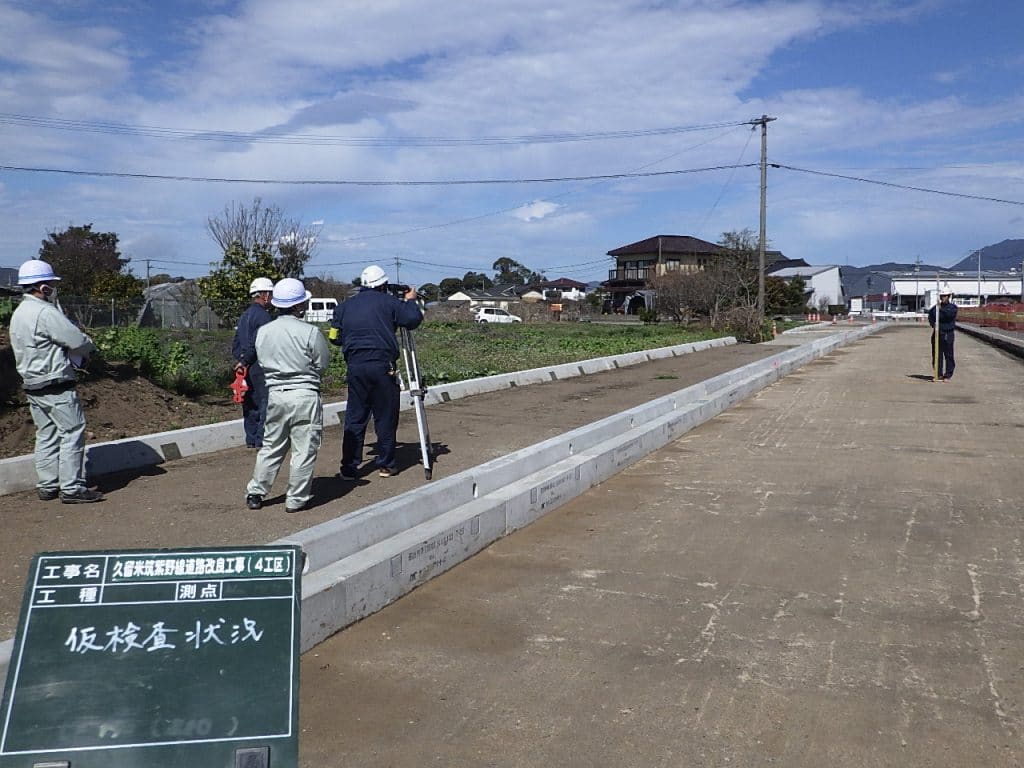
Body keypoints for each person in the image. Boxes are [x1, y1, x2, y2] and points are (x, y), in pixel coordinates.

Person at [9, 259, 103, 503]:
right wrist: (90, 347)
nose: (52, 287)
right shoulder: (45, 312)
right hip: (55, 382)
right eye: (50, 283)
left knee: (46, 433)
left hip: (32, 383)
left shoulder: (19, 313)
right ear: (43, 288)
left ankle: (48, 485)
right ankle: (72, 488)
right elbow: (76, 340)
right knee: (72, 431)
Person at [245, 278, 331, 513]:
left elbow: (261, 360)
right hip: (304, 394)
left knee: (272, 445)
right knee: (304, 448)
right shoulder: (310, 332)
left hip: (276, 394)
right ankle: (296, 498)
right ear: (298, 306)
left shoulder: (264, 331)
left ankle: (256, 491)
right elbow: (322, 363)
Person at [329, 264, 422, 479]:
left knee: (355, 416)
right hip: (382, 365)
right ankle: (386, 464)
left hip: (355, 366)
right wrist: (410, 299)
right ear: (383, 285)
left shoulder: (344, 307)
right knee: (385, 416)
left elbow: (334, 337)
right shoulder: (390, 303)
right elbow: (412, 320)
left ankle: (349, 467)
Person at [232, 277, 275, 447]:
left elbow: (235, 342)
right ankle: (261, 440)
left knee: (249, 403)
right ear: (264, 295)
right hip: (259, 365)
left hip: (245, 366)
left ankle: (250, 438)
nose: (271, 298)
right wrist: (247, 359)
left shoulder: (245, 315)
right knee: (264, 403)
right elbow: (259, 343)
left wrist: (241, 361)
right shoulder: (264, 317)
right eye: (270, 294)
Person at [927, 290, 958, 381]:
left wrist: (941, 310)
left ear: (949, 297)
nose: (943, 298)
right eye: (942, 296)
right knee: (937, 354)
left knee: (948, 355)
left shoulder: (952, 308)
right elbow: (931, 317)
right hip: (937, 333)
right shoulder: (935, 308)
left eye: (945, 296)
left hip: (948, 334)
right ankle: (938, 374)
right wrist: (934, 325)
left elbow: (949, 316)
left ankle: (948, 375)